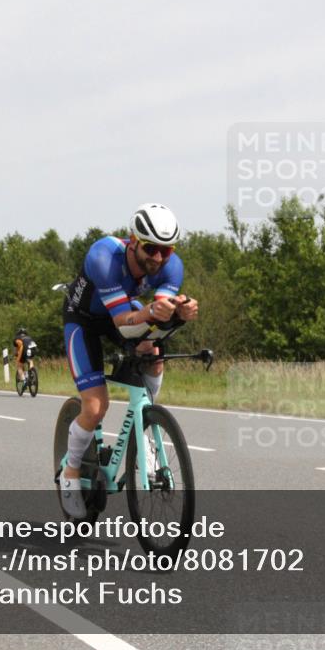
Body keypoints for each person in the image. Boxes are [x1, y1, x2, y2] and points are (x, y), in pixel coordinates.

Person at [59, 203, 198, 518]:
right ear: (133, 240)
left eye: (166, 250)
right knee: (95, 407)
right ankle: (70, 472)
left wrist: (179, 312)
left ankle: (145, 420)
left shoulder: (171, 266)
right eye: (151, 248)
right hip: (84, 320)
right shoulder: (103, 257)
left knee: (154, 351)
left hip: (123, 312)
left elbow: (155, 321)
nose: (159, 258)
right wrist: (151, 312)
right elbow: (124, 321)